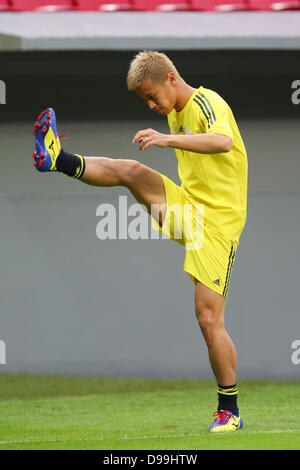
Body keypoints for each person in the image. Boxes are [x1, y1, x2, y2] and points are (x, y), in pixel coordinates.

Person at [32, 50, 247, 433]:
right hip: (190, 209)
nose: (151, 105)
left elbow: (222, 142)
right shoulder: (174, 113)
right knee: (130, 170)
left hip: (217, 225)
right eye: (144, 101)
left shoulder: (207, 101)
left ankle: (229, 410)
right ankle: (58, 158)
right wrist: (168, 136)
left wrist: (165, 141)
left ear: (171, 78)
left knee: (208, 318)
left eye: (152, 96)